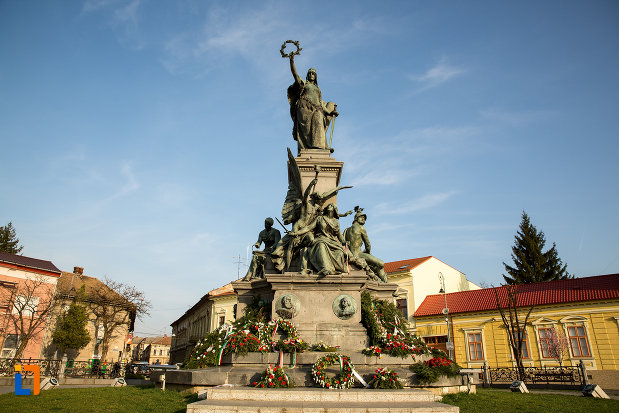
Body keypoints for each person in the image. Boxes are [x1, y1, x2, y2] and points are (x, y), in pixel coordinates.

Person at [287, 54, 338, 153]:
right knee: (306, 130)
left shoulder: (318, 89)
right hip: (304, 108)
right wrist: (291, 61)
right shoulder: (304, 84)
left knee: (319, 123)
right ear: (307, 75)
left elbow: (321, 104)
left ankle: (322, 146)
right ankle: (307, 148)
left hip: (317, 108)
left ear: (316, 76)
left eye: (313, 73)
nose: (311, 75)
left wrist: (330, 113)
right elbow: (295, 74)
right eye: (310, 73)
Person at [292, 203, 348, 276]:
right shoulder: (320, 218)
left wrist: (344, 241)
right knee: (321, 245)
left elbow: (339, 235)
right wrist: (296, 233)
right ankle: (326, 268)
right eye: (328, 205)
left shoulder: (336, 222)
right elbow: (308, 227)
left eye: (331, 205)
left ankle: (336, 268)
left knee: (340, 252)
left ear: (334, 209)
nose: (329, 206)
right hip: (320, 239)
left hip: (332, 241)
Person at [344, 207, 387, 282]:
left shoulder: (346, 230)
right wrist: (368, 252)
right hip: (358, 254)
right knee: (381, 264)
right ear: (356, 218)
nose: (364, 219)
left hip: (350, 255)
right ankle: (386, 285)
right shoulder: (361, 228)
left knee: (372, 265)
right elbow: (368, 244)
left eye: (364, 218)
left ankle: (375, 275)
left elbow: (343, 243)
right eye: (362, 217)